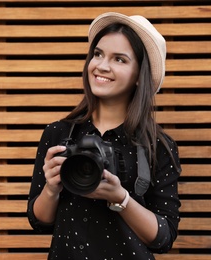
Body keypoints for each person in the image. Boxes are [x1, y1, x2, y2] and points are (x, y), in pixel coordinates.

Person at [27, 12, 181, 259]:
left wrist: (121, 198)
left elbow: (164, 238)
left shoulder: (158, 146)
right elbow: (39, 221)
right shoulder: (58, 133)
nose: (102, 66)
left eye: (119, 59)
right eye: (98, 54)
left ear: (140, 76)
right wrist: (51, 189)